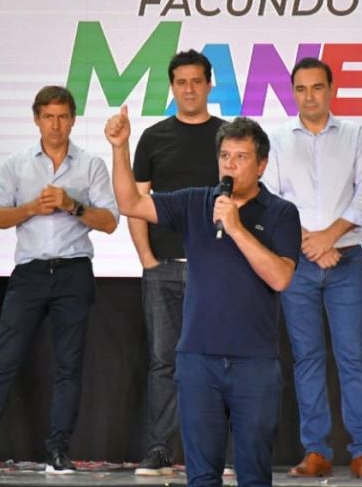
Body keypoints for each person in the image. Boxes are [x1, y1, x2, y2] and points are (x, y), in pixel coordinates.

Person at [105, 110, 300, 487]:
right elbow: (130, 204)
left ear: (261, 165)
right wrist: (119, 148)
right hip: (198, 360)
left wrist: (236, 228)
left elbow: (280, 278)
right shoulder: (196, 202)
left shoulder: (281, 213)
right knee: (201, 476)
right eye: (225, 156)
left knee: (254, 474)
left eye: (241, 157)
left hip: (254, 363)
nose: (230, 165)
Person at [0, 86, 118, 475]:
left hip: (74, 271)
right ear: (36, 119)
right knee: (4, 362)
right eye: (48, 117)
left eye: (63, 117)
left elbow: (110, 222)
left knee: (69, 366)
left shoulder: (91, 165)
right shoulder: (16, 164)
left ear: (73, 120)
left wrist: (72, 205)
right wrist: (29, 208)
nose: (55, 125)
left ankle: (58, 450)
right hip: (29, 274)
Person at [263, 58, 362, 479]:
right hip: (296, 264)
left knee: (353, 357)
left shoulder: (355, 135)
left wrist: (329, 237)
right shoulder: (277, 140)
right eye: (301, 89)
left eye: (317, 87)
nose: (309, 96)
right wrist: (309, 244)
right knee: (307, 358)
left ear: (331, 90)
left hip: (345, 260)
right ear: (292, 92)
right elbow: (269, 199)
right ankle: (316, 450)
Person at [129, 50, 226, 475]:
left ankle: (217, 453)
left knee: (218, 358)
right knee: (163, 361)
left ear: (209, 85)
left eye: (196, 81)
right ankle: (159, 449)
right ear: (172, 87)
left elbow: (242, 200)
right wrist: (147, 259)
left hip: (215, 271)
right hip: (163, 267)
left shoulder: (228, 137)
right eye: (181, 82)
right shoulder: (153, 138)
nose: (189, 89)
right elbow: (136, 202)